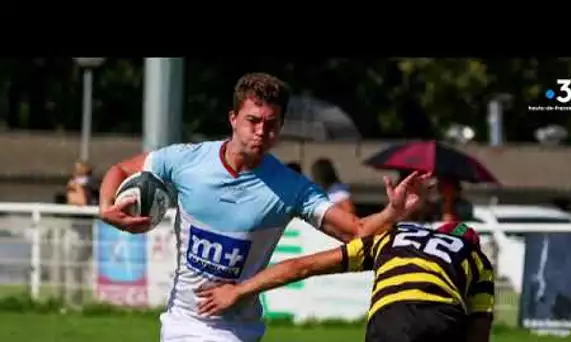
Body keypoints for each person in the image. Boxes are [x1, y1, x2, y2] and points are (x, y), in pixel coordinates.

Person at [98, 72, 431, 342]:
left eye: (271, 124)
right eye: (253, 120)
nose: (261, 132)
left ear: (281, 125)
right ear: (233, 118)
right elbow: (121, 169)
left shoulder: (290, 187)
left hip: (240, 330)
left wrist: (393, 212)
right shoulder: (186, 160)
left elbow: (355, 232)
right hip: (180, 321)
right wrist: (105, 208)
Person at [196, 221, 494, 342]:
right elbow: (479, 332)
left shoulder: (390, 237)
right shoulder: (478, 259)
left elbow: (303, 266)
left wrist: (240, 290)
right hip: (443, 319)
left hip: (391, 318)